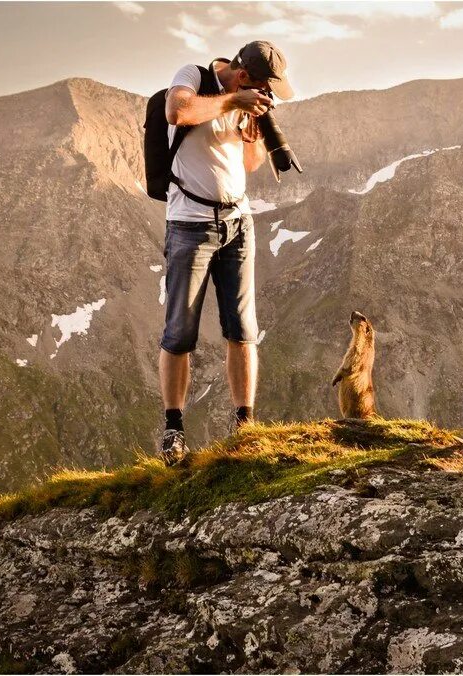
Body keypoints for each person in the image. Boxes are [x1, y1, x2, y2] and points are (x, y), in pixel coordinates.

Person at [158, 40, 294, 466]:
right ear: (243, 75)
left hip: (239, 223)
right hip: (190, 225)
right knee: (180, 332)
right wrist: (233, 101)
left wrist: (251, 134)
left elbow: (248, 165)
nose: (267, 96)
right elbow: (177, 112)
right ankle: (174, 429)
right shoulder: (193, 77)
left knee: (243, 329)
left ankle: (245, 424)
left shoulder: (243, 102)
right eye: (263, 88)